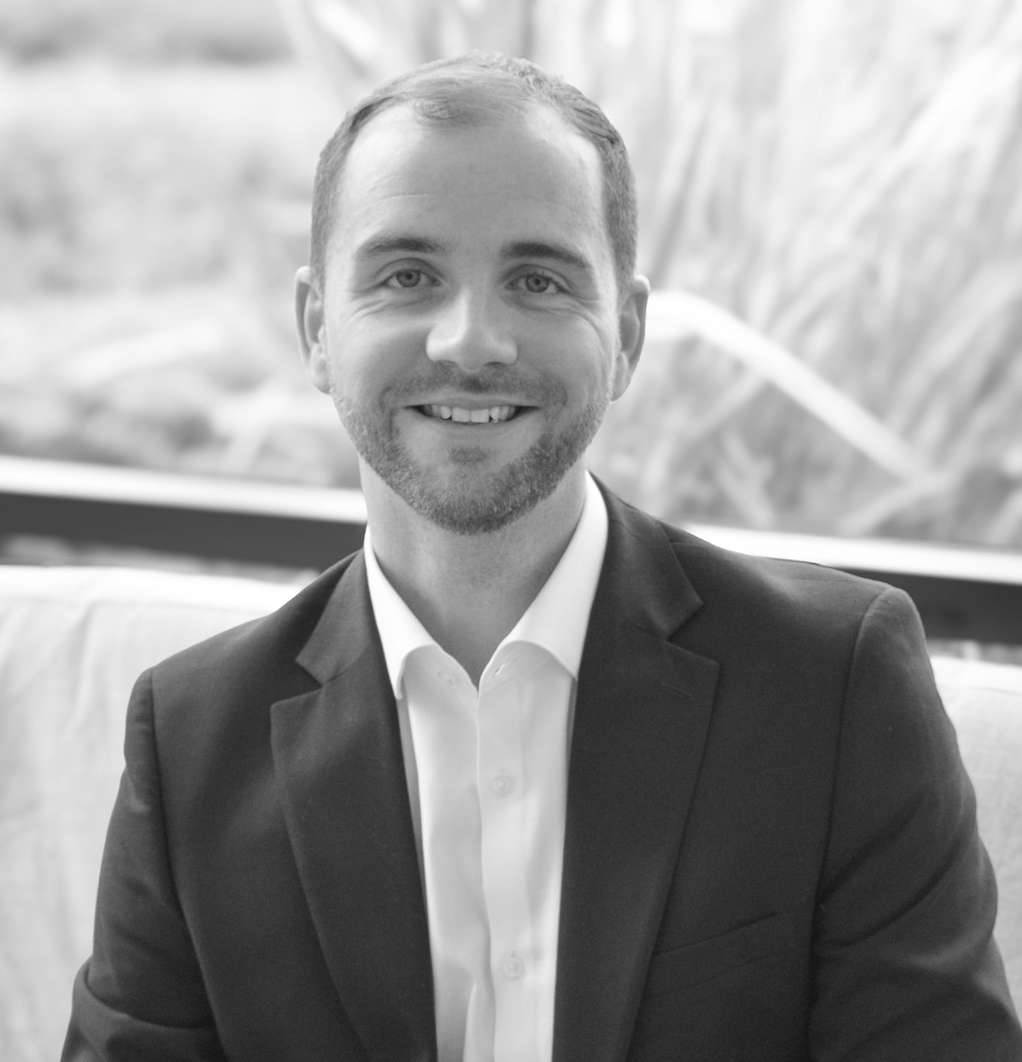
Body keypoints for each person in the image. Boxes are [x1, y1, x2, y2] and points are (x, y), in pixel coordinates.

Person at [63, 51, 1022, 1062]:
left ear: (626, 334)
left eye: (537, 279)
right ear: (316, 329)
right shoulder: (190, 740)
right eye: (406, 276)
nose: (470, 340)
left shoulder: (832, 685)